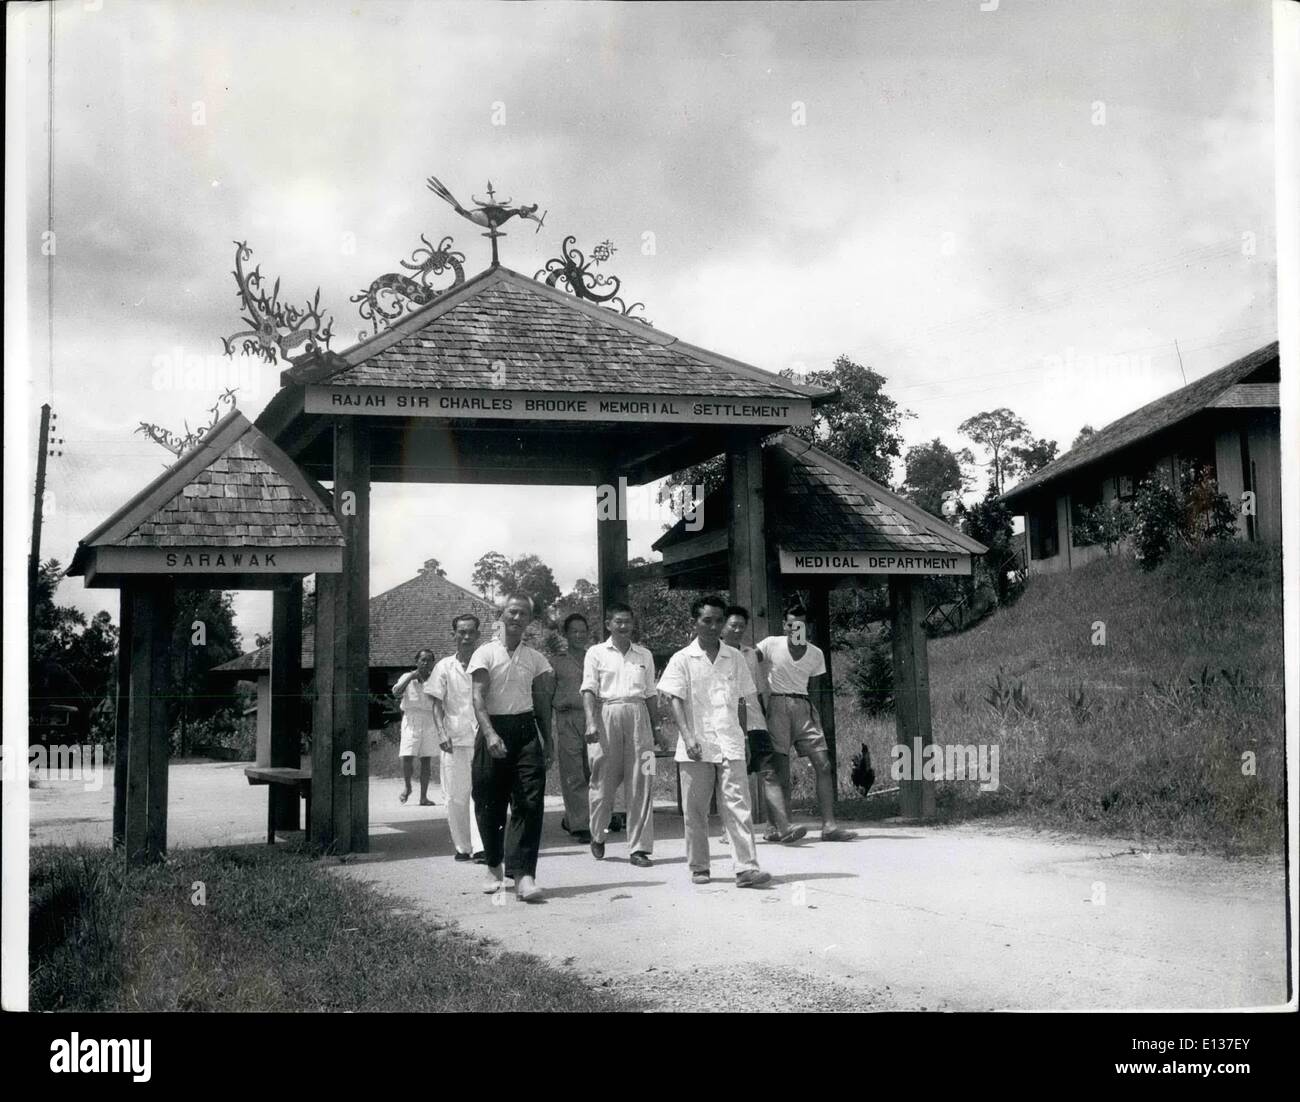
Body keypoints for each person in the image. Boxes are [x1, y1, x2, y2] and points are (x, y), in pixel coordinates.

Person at [657, 594, 772, 888]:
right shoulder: (682, 658)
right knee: (695, 810)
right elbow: (674, 700)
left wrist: (745, 739)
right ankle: (699, 866)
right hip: (696, 744)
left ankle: (746, 867)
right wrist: (688, 736)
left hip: (730, 740)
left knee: (737, 805)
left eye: (718, 621)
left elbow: (745, 701)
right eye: (707, 620)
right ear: (695, 622)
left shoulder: (734, 657)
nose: (713, 626)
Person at [468, 594, 555, 902]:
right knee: (489, 801)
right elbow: (477, 697)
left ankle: (524, 875)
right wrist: (490, 733)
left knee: (530, 802)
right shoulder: (485, 653)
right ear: (501, 614)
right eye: (512, 612)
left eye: (523, 614)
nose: (517, 618)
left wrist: (548, 741)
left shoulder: (535, 659)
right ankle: (493, 864)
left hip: (525, 731)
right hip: (493, 729)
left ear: (529, 620)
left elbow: (543, 703)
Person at [758, 604, 856, 842]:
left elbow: (815, 687)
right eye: (791, 625)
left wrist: (812, 714)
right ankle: (779, 827)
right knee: (780, 770)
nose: (795, 629)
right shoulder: (771, 644)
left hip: (803, 706)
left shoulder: (816, 653)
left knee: (823, 764)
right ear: (785, 626)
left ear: (806, 627)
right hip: (778, 706)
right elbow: (749, 659)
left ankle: (829, 826)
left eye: (800, 625)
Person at [581, 602, 662, 867]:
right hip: (608, 716)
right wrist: (591, 722)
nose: (624, 626)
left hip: (640, 718)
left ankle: (639, 848)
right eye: (618, 621)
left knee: (643, 781)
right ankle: (598, 833)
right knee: (602, 781)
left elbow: (651, 693)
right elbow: (589, 690)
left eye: (628, 621)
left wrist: (657, 728)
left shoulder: (644, 655)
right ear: (608, 624)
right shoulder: (596, 653)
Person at [722, 605, 806, 845]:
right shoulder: (715, 653)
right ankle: (730, 829)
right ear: (723, 626)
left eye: (741, 626)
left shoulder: (749, 654)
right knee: (732, 777)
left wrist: (763, 717)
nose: (737, 630)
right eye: (733, 625)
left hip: (754, 720)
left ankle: (783, 826)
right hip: (727, 722)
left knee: (769, 773)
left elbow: (758, 689)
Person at [428, 614, 486, 863]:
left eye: (471, 632)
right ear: (453, 635)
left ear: (478, 635)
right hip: (453, 739)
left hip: (482, 737)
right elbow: (436, 703)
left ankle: (482, 846)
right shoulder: (444, 666)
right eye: (461, 632)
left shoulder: (485, 664)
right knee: (454, 795)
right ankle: (463, 846)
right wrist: (441, 733)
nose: (466, 637)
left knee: (482, 793)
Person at [551, 613, 593, 844]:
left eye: (583, 631)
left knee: (595, 770)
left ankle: (588, 818)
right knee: (573, 773)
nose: (579, 635)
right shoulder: (556, 661)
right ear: (566, 634)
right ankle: (579, 824)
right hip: (568, 720)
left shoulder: (595, 658)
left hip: (593, 719)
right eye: (574, 631)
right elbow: (546, 695)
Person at [392, 648, 438, 805]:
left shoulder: (435, 678)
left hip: (430, 719)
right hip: (411, 719)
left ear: (433, 663)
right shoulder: (407, 676)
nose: (425, 663)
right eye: (422, 660)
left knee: (426, 759)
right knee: (407, 755)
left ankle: (423, 797)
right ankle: (407, 787)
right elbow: (396, 693)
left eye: (429, 660)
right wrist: (411, 676)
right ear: (416, 661)